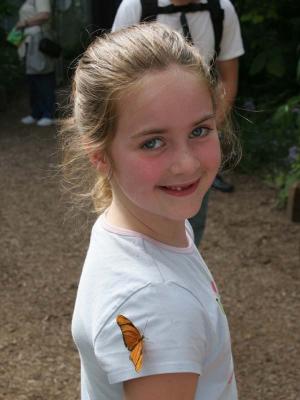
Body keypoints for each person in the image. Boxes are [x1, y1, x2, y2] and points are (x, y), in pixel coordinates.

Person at [61, 23, 240, 399]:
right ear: (101, 157)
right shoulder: (156, 304)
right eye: (153, 142)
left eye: (199, 131)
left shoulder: (144, 221)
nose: (186, 164)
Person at [112, 0, 244, 245]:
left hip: (196, 128)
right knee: (140, 214)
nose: (185, 164)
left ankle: (186, 261)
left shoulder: (222, 10)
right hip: (146, 136)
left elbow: (227, 78)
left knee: (192, 215)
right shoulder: (135, 7)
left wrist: (205, 128)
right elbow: (111, 80)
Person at [16, 0, 56, 127]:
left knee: (43, 75)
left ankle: (48, 114)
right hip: (28, 40)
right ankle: (36, 113)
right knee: (33, 78)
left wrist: (25, 23)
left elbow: (45, 15)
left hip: (38, 41)